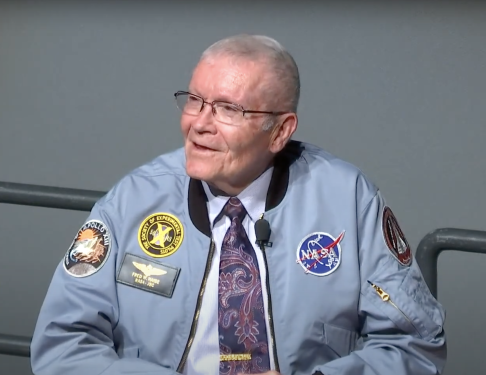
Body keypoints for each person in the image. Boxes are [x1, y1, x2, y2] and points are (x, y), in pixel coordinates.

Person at [30, 34, 446, 375]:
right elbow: (63, 343)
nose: (199, 124)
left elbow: (415, 343)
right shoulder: (133, 199)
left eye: (228, 109)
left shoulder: (348, 199)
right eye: (194, 100)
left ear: (280, 131)